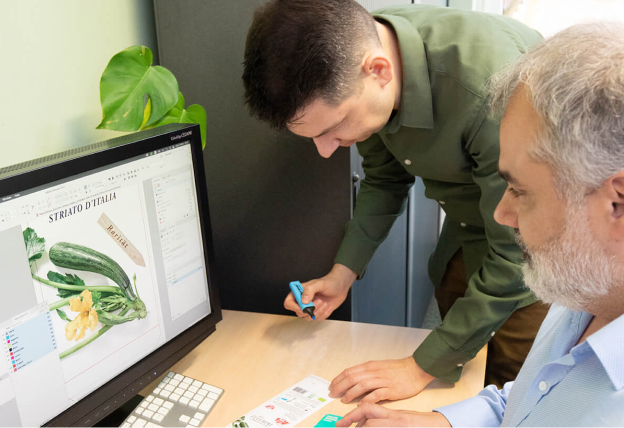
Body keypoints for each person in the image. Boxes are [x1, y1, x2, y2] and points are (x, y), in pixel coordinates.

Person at [242, 0, 550, 399]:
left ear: (379, 71)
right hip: (467, 223)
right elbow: (385, 179)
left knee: (515, 382)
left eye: (335, 127)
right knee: (454, 366)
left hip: (539, 239)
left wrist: (419, 366)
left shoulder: (490, 91)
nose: (326, 150)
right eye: (314, 136)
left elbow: (515, 253)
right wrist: (342, 274)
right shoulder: (365, 53)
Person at [335, 21, 624, 427]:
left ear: (617, 203)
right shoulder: (584, 294)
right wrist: (441, 423)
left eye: (520, 191)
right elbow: (527, 402)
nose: (502, 215)